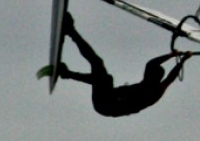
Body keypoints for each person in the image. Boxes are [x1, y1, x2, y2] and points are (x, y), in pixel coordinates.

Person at [39, 13, 188, 117]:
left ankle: (70, 36)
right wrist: (173, 56)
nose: (146, 75)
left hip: (106, 106)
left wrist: (183, 60)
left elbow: (171, 77)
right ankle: (67, 69)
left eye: (149, 75)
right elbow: (153, 64)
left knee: (101, 72)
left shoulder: (156, 92)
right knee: (103, 73)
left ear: (154, 78)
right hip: (110, 96)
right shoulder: (151, 80)